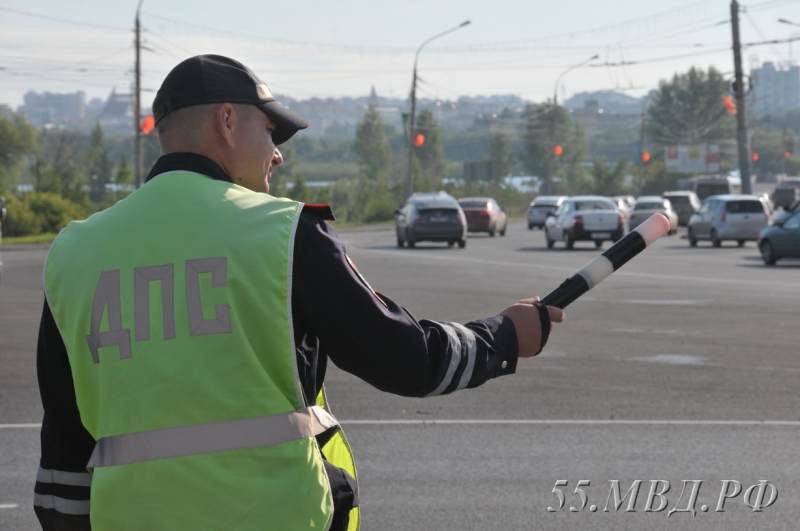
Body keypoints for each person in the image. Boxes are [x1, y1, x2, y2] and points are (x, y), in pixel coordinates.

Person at [34, 54, 565, 531]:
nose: (278, 156)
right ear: (226, 121)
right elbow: (404, 359)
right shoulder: (285, 233)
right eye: (271, 133)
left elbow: (63, 455)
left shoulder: (76, 253)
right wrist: (503, 337)